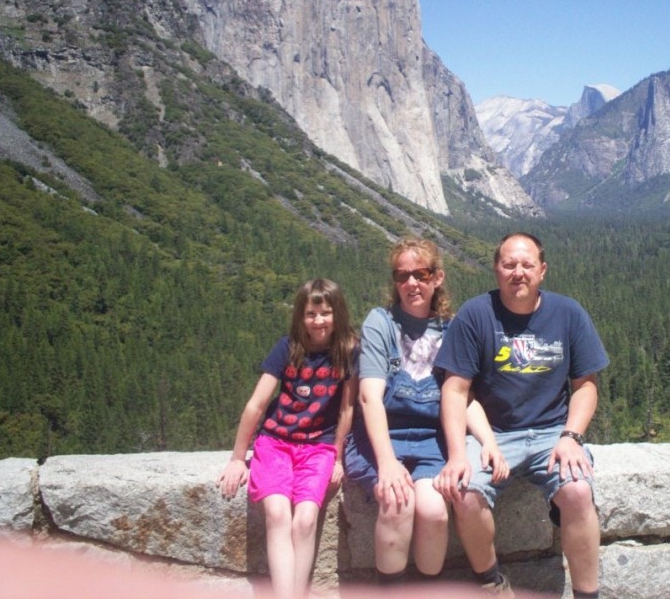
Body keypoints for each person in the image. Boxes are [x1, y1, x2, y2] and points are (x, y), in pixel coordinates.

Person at [434, 232, 609, 599]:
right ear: (496, 270)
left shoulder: (568, 313)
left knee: (578, 492)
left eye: (527, 265)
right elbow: (455, 389)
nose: (518, 272)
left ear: (542, 270)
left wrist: (571, 436)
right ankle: (491, 581)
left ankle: (587, 595)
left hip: (552, 433)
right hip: (492, 435)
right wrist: (456, 455)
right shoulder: (475, 315)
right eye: (509, 264)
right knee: (465, 493)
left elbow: (586, 386)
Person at [345, 237, 507, 588]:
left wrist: (488, 442)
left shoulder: (453, 329)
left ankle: (425, 586)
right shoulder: (380, 323)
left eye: (420, 274)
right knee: (396, 501)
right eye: (402, 276)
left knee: (434, 511)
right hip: (381, 438)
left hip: (432, 440)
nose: (411, 284)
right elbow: (369, 398)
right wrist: (387, 463)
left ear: (437, 278)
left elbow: (464, 397)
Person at [218, 278, 357, 599]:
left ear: (339, 314)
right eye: (311, 314)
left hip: (319, 447)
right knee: (278, 514)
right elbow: (257, 403)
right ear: (300, 316)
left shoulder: (347, 351)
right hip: (275, 442)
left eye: (326, 313)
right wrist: (239, 458)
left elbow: (347, 411)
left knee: (305, 520)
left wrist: (337, 456)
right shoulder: (287, 348)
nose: (318, 321)